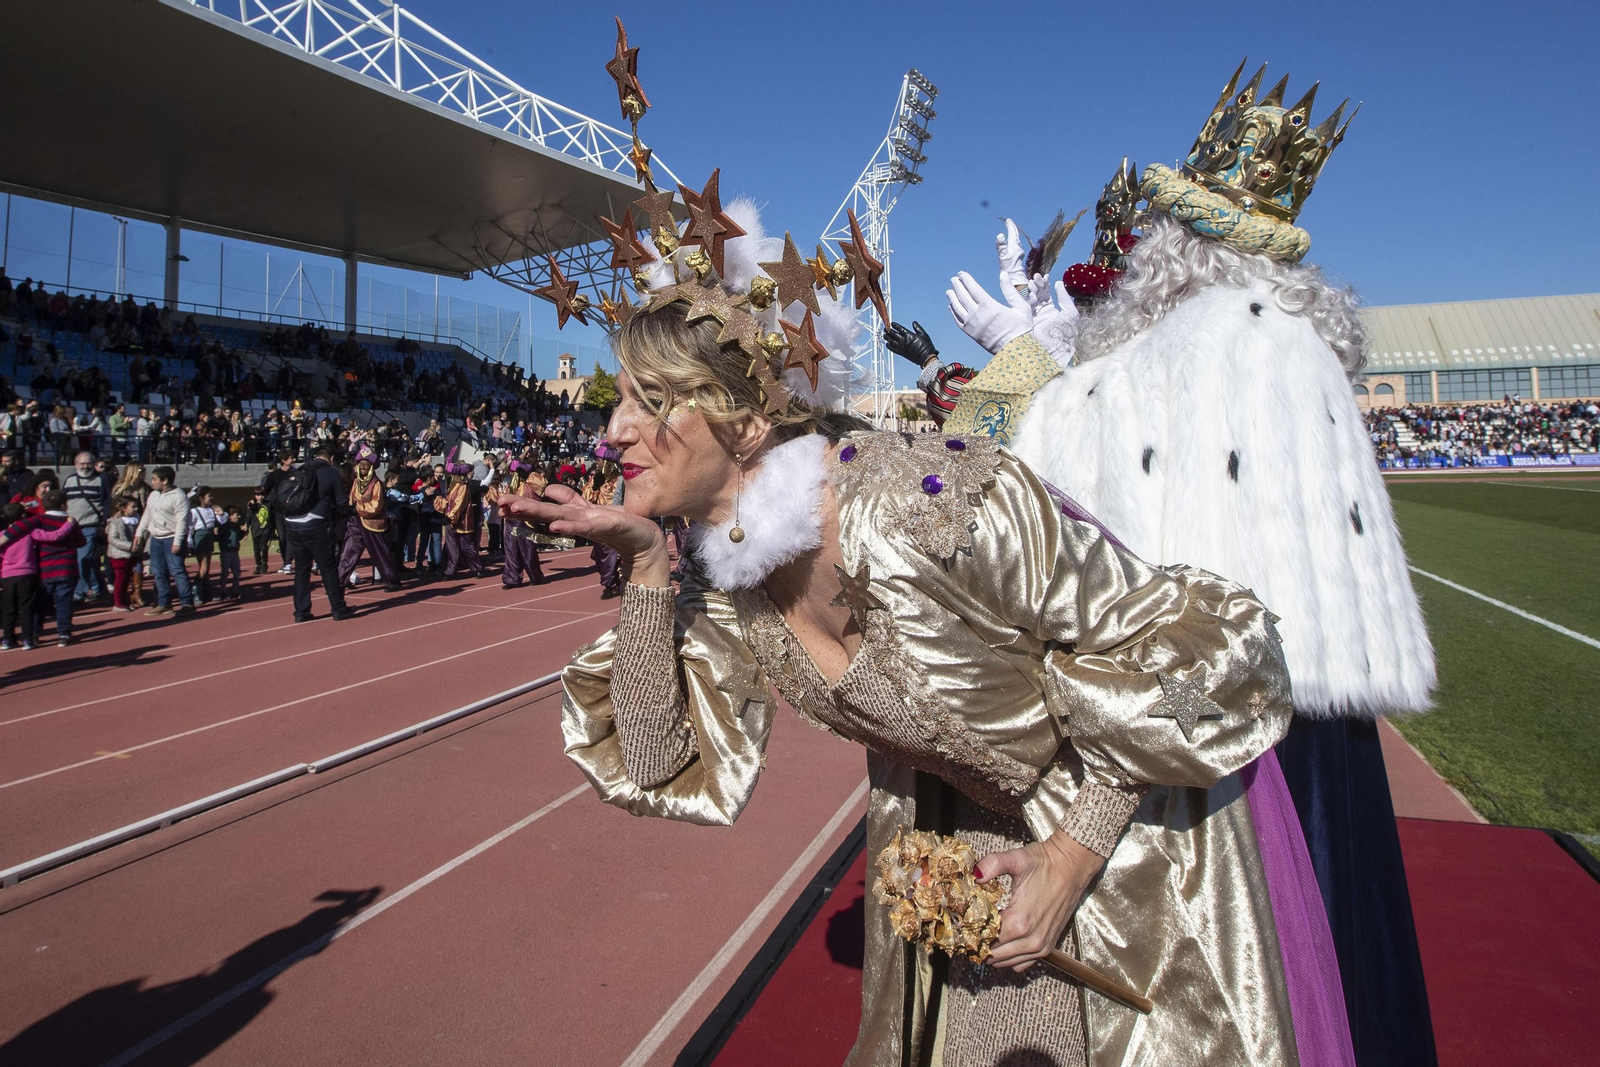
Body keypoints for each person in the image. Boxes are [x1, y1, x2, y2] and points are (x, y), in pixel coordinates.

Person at [517, 202, 1308, 1067]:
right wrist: (645, 567)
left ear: (745, 424)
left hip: (1130, 836)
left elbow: (1197, 644)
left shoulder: (925, 502)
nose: (613, 430)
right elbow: (656, 752)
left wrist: (1070, 860)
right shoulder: (735, 576)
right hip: (967, 873)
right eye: (621, 400)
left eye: (650, 401)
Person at [937, 73, 1434, 1067]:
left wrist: (1025, 361)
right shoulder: (1292, 358)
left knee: (1224, 999)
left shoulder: (1182, 365)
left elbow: (985, 501)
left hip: (1202, 746)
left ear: (1168, 257)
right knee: (1349, 967)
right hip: (1320, 742)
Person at [0, 488, 86, 646]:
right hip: (67, 567)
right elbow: (81, 541)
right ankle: (64, 634)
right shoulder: (70, 522)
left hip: (44, 569)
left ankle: (32, 634)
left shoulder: (38, 520)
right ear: (63, 506)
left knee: (37, 604)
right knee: (64, 602)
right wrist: (69, 538)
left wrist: (3, 540)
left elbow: (18, 527)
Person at [279, 441, 352, 623]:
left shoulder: (301, 469)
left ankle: (301, 612)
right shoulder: (331, 472)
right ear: (332, 458)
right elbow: (342, 502)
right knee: (327, 567)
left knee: (301, 570)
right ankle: (338, 608)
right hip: (315, 523)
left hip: (292, 523)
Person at [337, 445, 402, 593]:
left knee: (380, 553)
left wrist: (358, 508)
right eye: (362, 466)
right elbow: (351, 498)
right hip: (355, 521)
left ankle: (393, 579)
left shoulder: (376, 484)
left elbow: (375, 507)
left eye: (367, 466)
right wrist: (350, 508)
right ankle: (339, 582)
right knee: (348, 552)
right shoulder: (356, 482)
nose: (364, 468)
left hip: (372, 523)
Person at [134, 466, 195, 617]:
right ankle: (164, 604)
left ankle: (187, 603)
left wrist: (177, 541)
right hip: (156, 539)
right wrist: (139, 533)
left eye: (155, 479)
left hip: (171, 538)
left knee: (177, 571)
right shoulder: (153, 495)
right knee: (158, 572)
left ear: (165, 480)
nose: (152, 482)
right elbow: (147, 514)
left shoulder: (179, 496)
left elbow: (182, 521)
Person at [63, 451, 112, 602]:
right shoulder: (69, 480)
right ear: (75, 464)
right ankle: (99, 588)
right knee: (86, 560)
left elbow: (107, 502)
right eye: (82, 463)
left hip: (91, 525)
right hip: (72, 527)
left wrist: (104, 523)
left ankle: (81, 591)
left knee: (82, 559)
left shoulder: (101, 479)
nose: (85, 466)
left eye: (88, 463)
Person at [498, 459, 546, 589]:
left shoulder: (532, 481)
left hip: (526, 521)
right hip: (510, 519)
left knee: (528, 550)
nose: (515, 475)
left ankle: (535, 576)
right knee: (511, 551)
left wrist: (528, 475)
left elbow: (542, 486)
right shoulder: (512, 484)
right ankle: (512, 578)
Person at [439, 449, 482, 579]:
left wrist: (450, 517)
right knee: (451, 547)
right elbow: (448, 502)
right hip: (451, 521)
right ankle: (450, 570)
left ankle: (477, 568)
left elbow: (459, 504)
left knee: (466, 546)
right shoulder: (452, 486)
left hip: (462, 521)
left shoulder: (463, 487)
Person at [259, 451, 297, 574]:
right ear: (284, 461)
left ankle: (288, 562)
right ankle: (286, 561)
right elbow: (265, 490)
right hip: (279, 510)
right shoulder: (274, 475)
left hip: (292, 509)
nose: (294, 459)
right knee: (282, 537)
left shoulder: (296, 473)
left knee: (291, 536)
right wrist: (257, 500)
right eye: (291, 457)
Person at [186, 486, 221, 605]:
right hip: (200, 537)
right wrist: (189, 541)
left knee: (207, 568)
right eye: (209, 496)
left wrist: (221, 514)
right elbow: (190, 527)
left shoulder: (211, 509)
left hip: (209, 536)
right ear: (201, 498)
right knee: (203, 568)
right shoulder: (194, 511)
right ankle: (195, 593)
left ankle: (206, 593)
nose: (211, 498)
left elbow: (222, 521)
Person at [105, 495, 140, 612]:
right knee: (120, 578)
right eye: (133, 507)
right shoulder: (116, 522)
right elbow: (113, 539)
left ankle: (124, 601)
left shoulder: (137, 520)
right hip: (118, 555)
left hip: (131, 555)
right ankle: (118, 603)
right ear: (123, 508)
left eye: (136, 506)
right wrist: (130, 546)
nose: (136, 509)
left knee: (126, 579)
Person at [215, 506, 244, 600]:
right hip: (226, 552)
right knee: (225, 573)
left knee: (237, 572)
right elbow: (219, 537)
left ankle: (235, 590)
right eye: (237, 515)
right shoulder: (224, 526)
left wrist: (243, 532)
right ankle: (223, 591)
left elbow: (238, 537)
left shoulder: (236, 526)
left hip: (235, 552)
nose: (238, 517)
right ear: (230, 516)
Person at [246, 487, 273, 575]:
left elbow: (273, 516)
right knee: (256, 549)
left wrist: (274, 528)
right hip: (255, 529)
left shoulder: (269, 504)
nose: (260, 497)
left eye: (262, 495)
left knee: (263, 547)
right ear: (254, 496)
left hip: (266, 528)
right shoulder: (252, 504)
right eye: (258, 495)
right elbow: (249, 516)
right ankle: (258, 565)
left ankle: (264, 564)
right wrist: (246, 525)